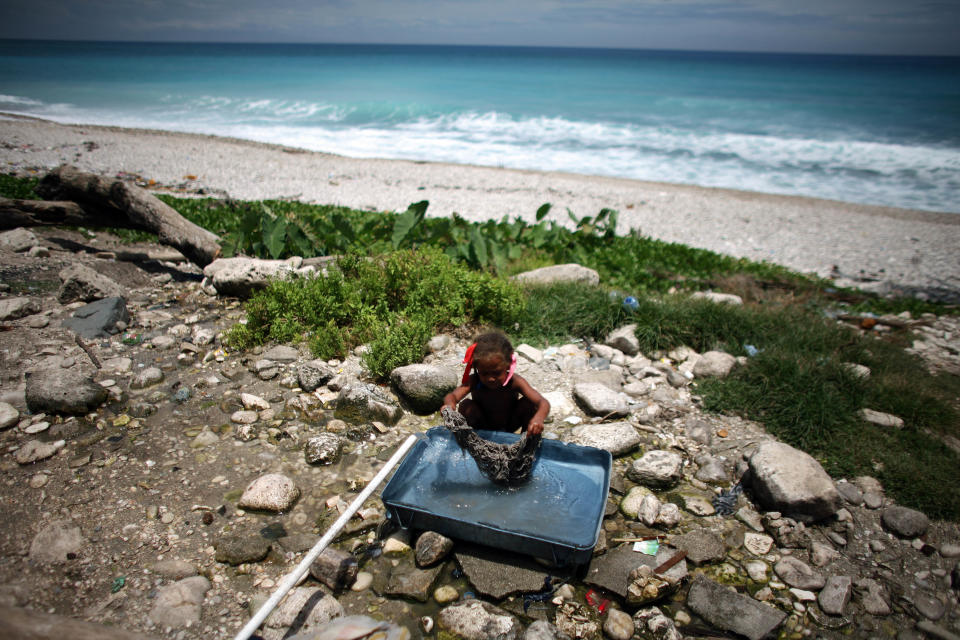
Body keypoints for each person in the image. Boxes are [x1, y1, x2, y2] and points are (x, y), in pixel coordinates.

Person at [442, 331, 550, 435]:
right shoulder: (474, 380)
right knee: (466, 405)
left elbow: (543, 402)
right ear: (476, 367)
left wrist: (539, 418)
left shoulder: (515, 381)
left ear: (508, 365)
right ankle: (471, 440)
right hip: (482, 426)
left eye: (496, 373)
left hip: (509, 425)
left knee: (529, 404)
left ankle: (527, 443)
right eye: (484, 373)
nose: (490, 379)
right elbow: (452, 396)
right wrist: (449, 405)